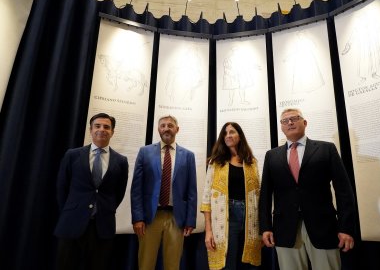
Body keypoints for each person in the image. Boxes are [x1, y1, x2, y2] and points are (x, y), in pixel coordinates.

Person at [259, 108, 356, 270]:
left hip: (324, 227)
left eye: (294, 118)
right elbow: (265, 195)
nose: (290, 122)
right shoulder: (271, 156)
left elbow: (344, 192)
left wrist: (346, 228)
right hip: (285, 229)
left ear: (305, 123)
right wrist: (265, 227)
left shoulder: (327, 149)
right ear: (281, 127)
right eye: (285, 121)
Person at [54, 113, 129, 270]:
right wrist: (71, 210)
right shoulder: (72, 155)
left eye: (106, 127)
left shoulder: (121, 161)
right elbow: (62, 187)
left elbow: (119, 193)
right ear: (90, 130)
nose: (102, 129)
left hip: (102, 226)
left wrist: (106, 209)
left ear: (112, 132)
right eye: (97, 126)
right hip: (72, 223)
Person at [130, 115, 197, 270]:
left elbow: (191, 191)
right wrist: (137, 217)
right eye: (163, 125)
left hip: (176, 218)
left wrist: (190, 220)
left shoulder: (188, 156)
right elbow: (136, 189)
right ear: (158, 129)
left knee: (173, 265)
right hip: (149, 218)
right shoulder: (145, 152)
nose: (167, 128)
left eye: (170, 125)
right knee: (145, 264)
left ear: (177, 129)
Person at [201, 122, 261, 270]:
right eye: (225, 133)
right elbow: (207, 198)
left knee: (247, 264)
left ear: (240, 136)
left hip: (250, 218)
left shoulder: (251, 162)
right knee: (229, 263)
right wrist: (208, 231)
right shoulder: (216, 163)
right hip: (227, 217)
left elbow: (258, 195)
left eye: (232, 132)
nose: (228, 135)